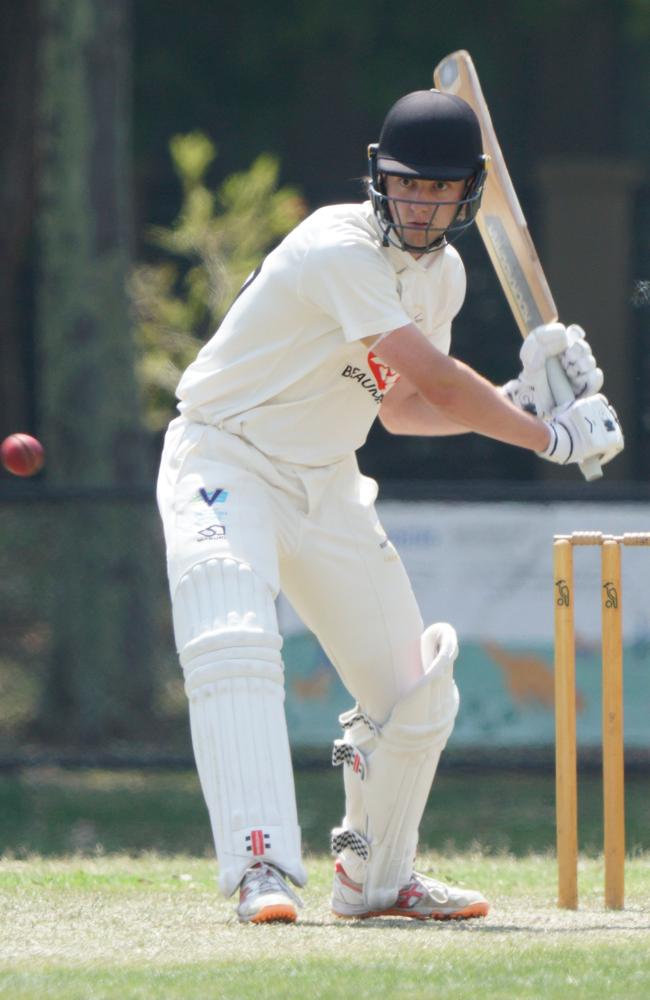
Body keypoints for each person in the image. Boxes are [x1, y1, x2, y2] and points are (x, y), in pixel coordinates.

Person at [156, 89, 623, 925]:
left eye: (440, 191)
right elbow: (441, 380)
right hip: (225, 456)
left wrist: (522, 398)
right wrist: (546, 435)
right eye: (408, 185)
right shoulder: (337, 246)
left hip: (327, 479)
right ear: (380, 177)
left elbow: (406, 405)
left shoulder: (442, 274)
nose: (421, 204)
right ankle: (261, 866)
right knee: (234, 636)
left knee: (416, 689)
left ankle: (375, 881)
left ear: (467, 195)